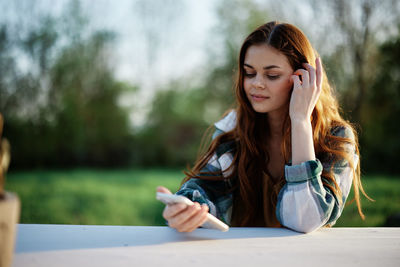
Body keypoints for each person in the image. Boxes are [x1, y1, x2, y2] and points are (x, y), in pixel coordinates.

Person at [157, 21, 370, 233]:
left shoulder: (336, 137)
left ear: (303, 78)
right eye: (249, 73)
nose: (256, 84)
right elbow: (203, 190)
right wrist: (185, 210)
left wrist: (301, 121)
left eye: (272, 75)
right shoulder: (233, 130)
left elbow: (305, 220)